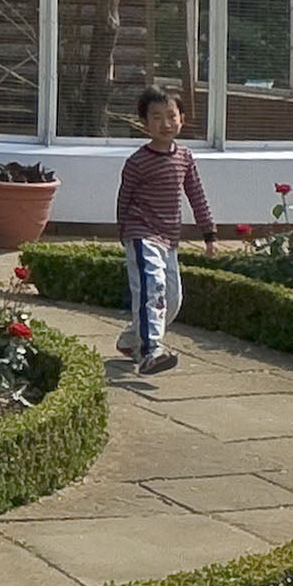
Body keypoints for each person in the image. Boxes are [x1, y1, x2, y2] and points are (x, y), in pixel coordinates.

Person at [116, 83, 214, 377]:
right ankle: (150, 352)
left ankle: (132, 338)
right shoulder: (137, 162)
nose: (165, 124)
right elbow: (124, 199)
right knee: (151, 289)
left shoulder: (184, 158)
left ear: (181, 119)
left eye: (171, 116)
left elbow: (196, 195)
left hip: (170, 238)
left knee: (172, 300)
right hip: (141, 234)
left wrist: (209, 233)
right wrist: (126, 234)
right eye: (156, 117)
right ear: (145, 123)